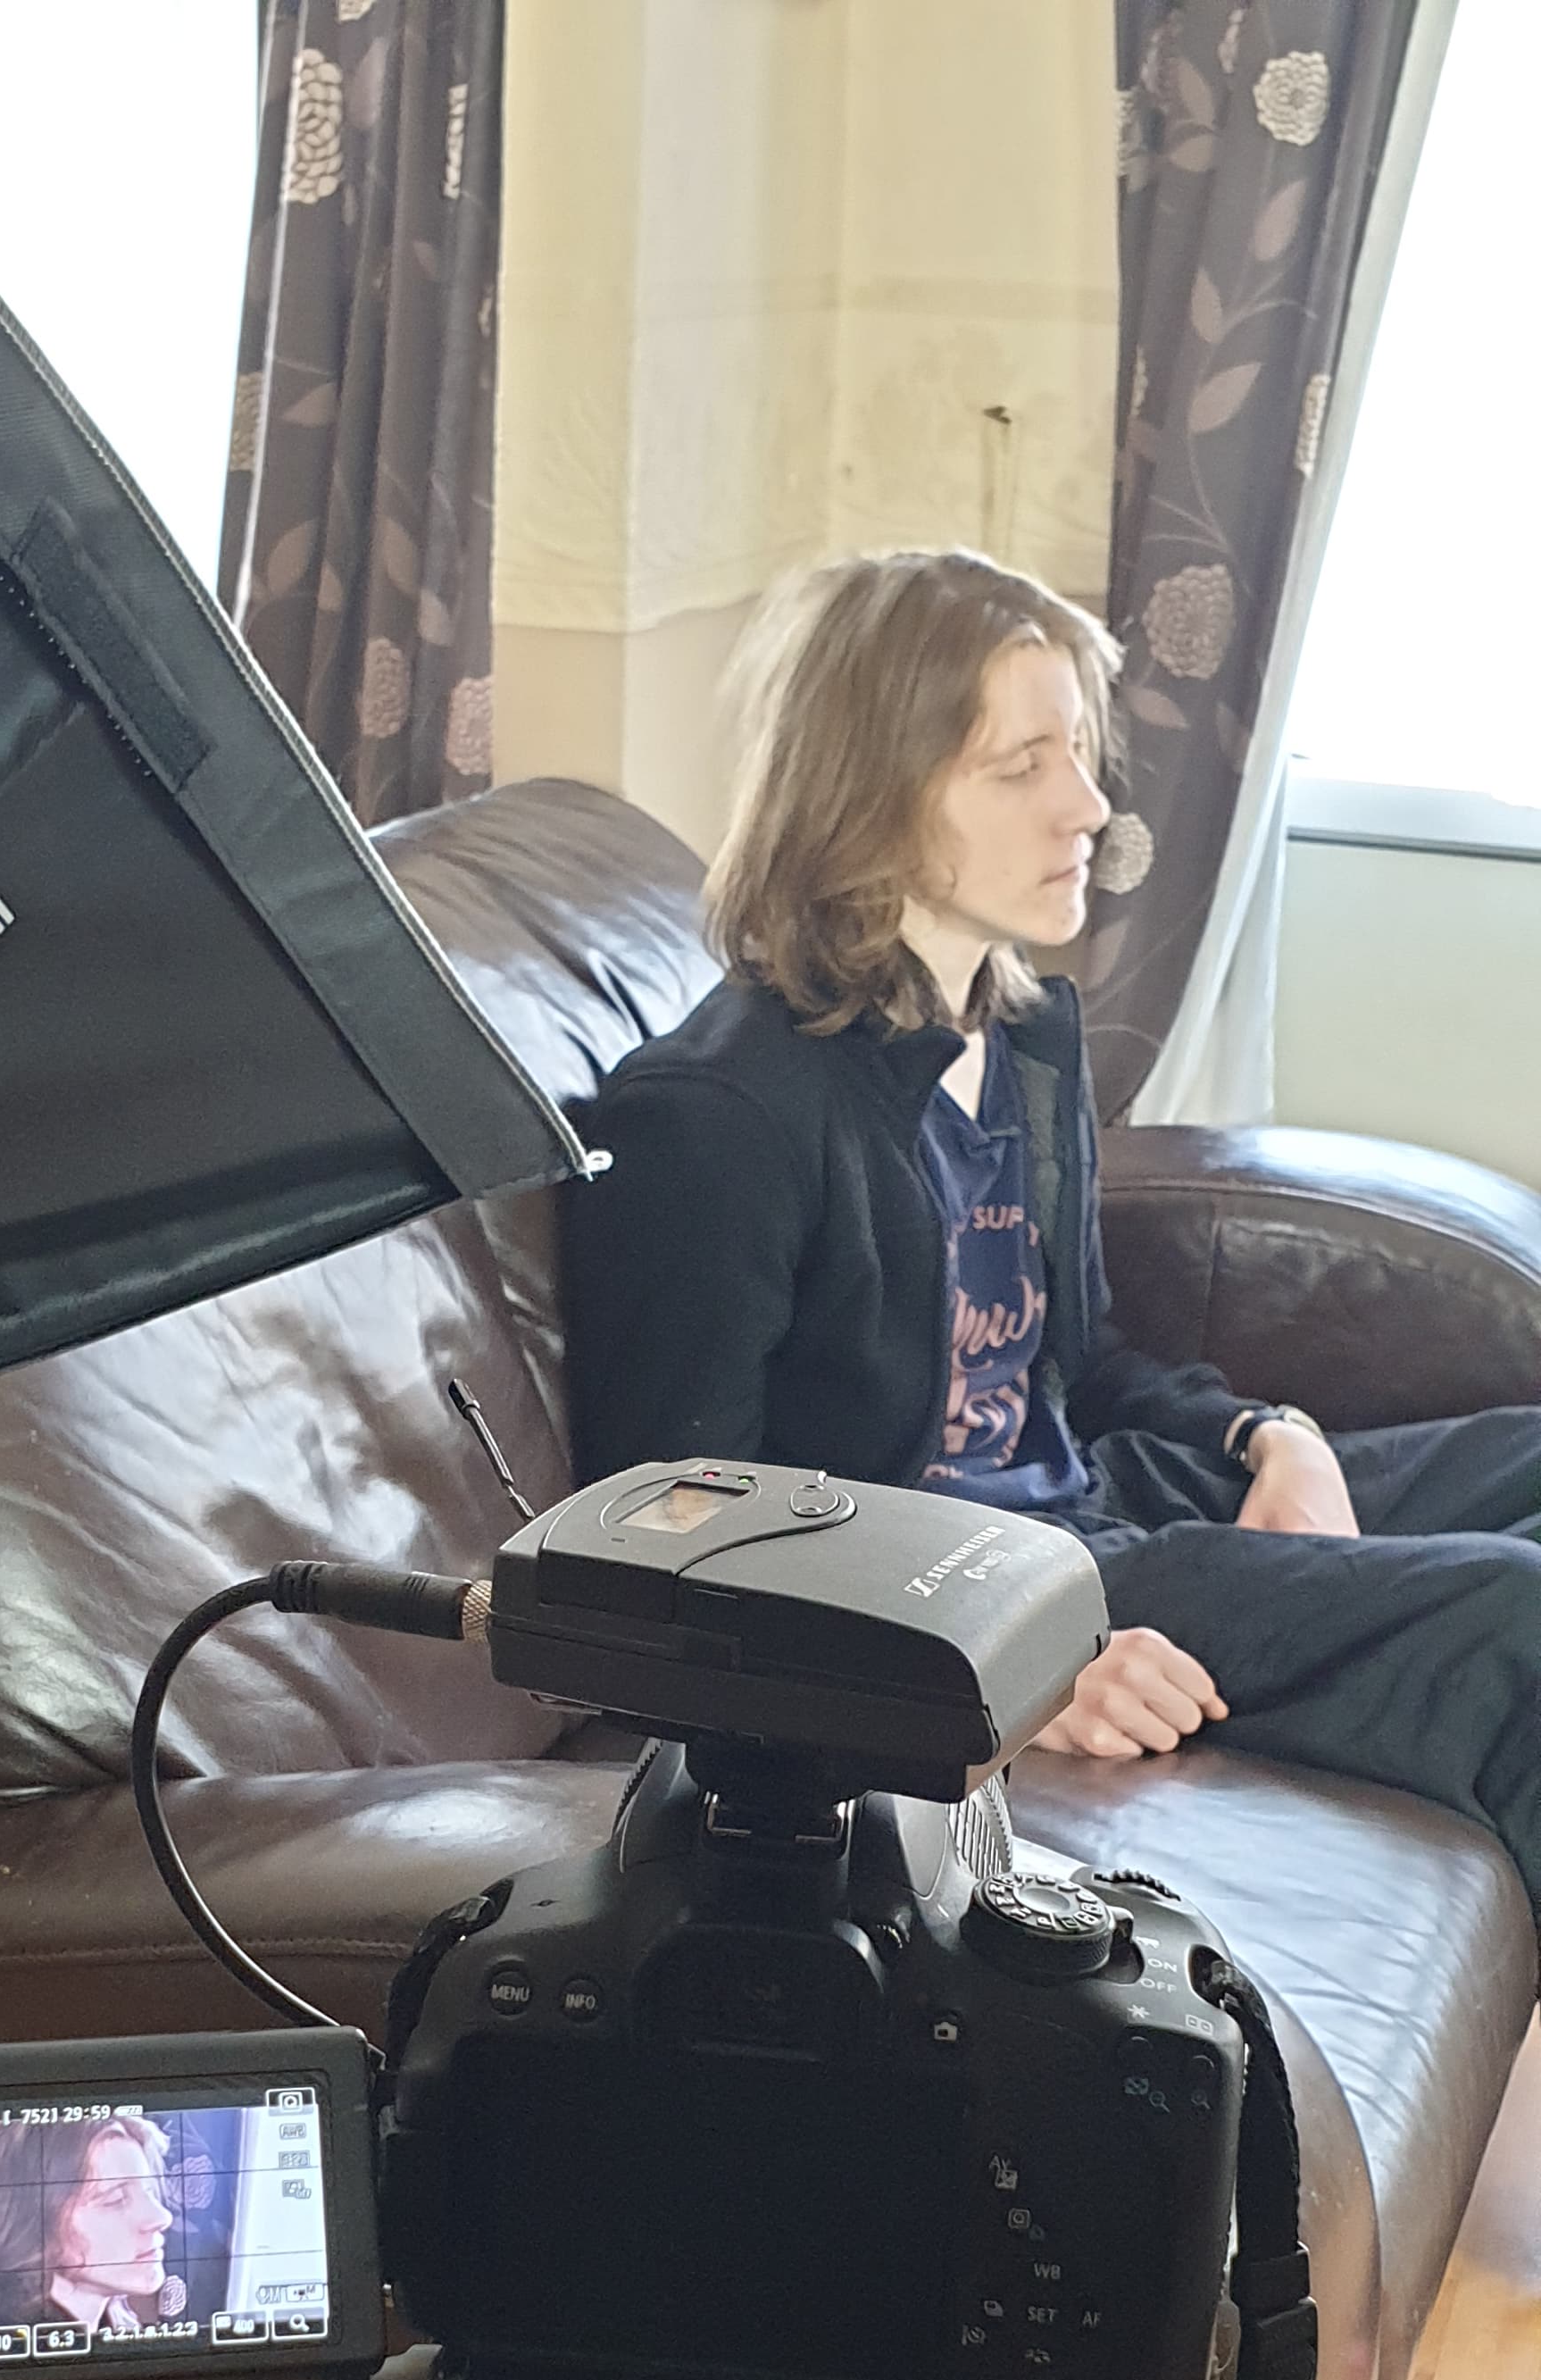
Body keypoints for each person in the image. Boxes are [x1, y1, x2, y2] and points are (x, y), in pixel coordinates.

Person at [562, 546, 1541, 1925]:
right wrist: (995, 1673)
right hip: (975, 1582)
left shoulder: (1019, 1039)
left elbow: (1070, 1369)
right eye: (1021, 765)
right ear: (871, 792)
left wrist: (1267, 1436)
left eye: (1078, 752)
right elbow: (670, 1538)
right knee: (1515, 1615)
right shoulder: (716, 1116)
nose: (1087, 805)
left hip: (1097, 1504)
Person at [0, 2111, 178, 2348]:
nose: (160, 2217)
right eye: (115, 2199)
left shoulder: (114, 2336)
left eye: (149, 2192)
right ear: (30, 2223)